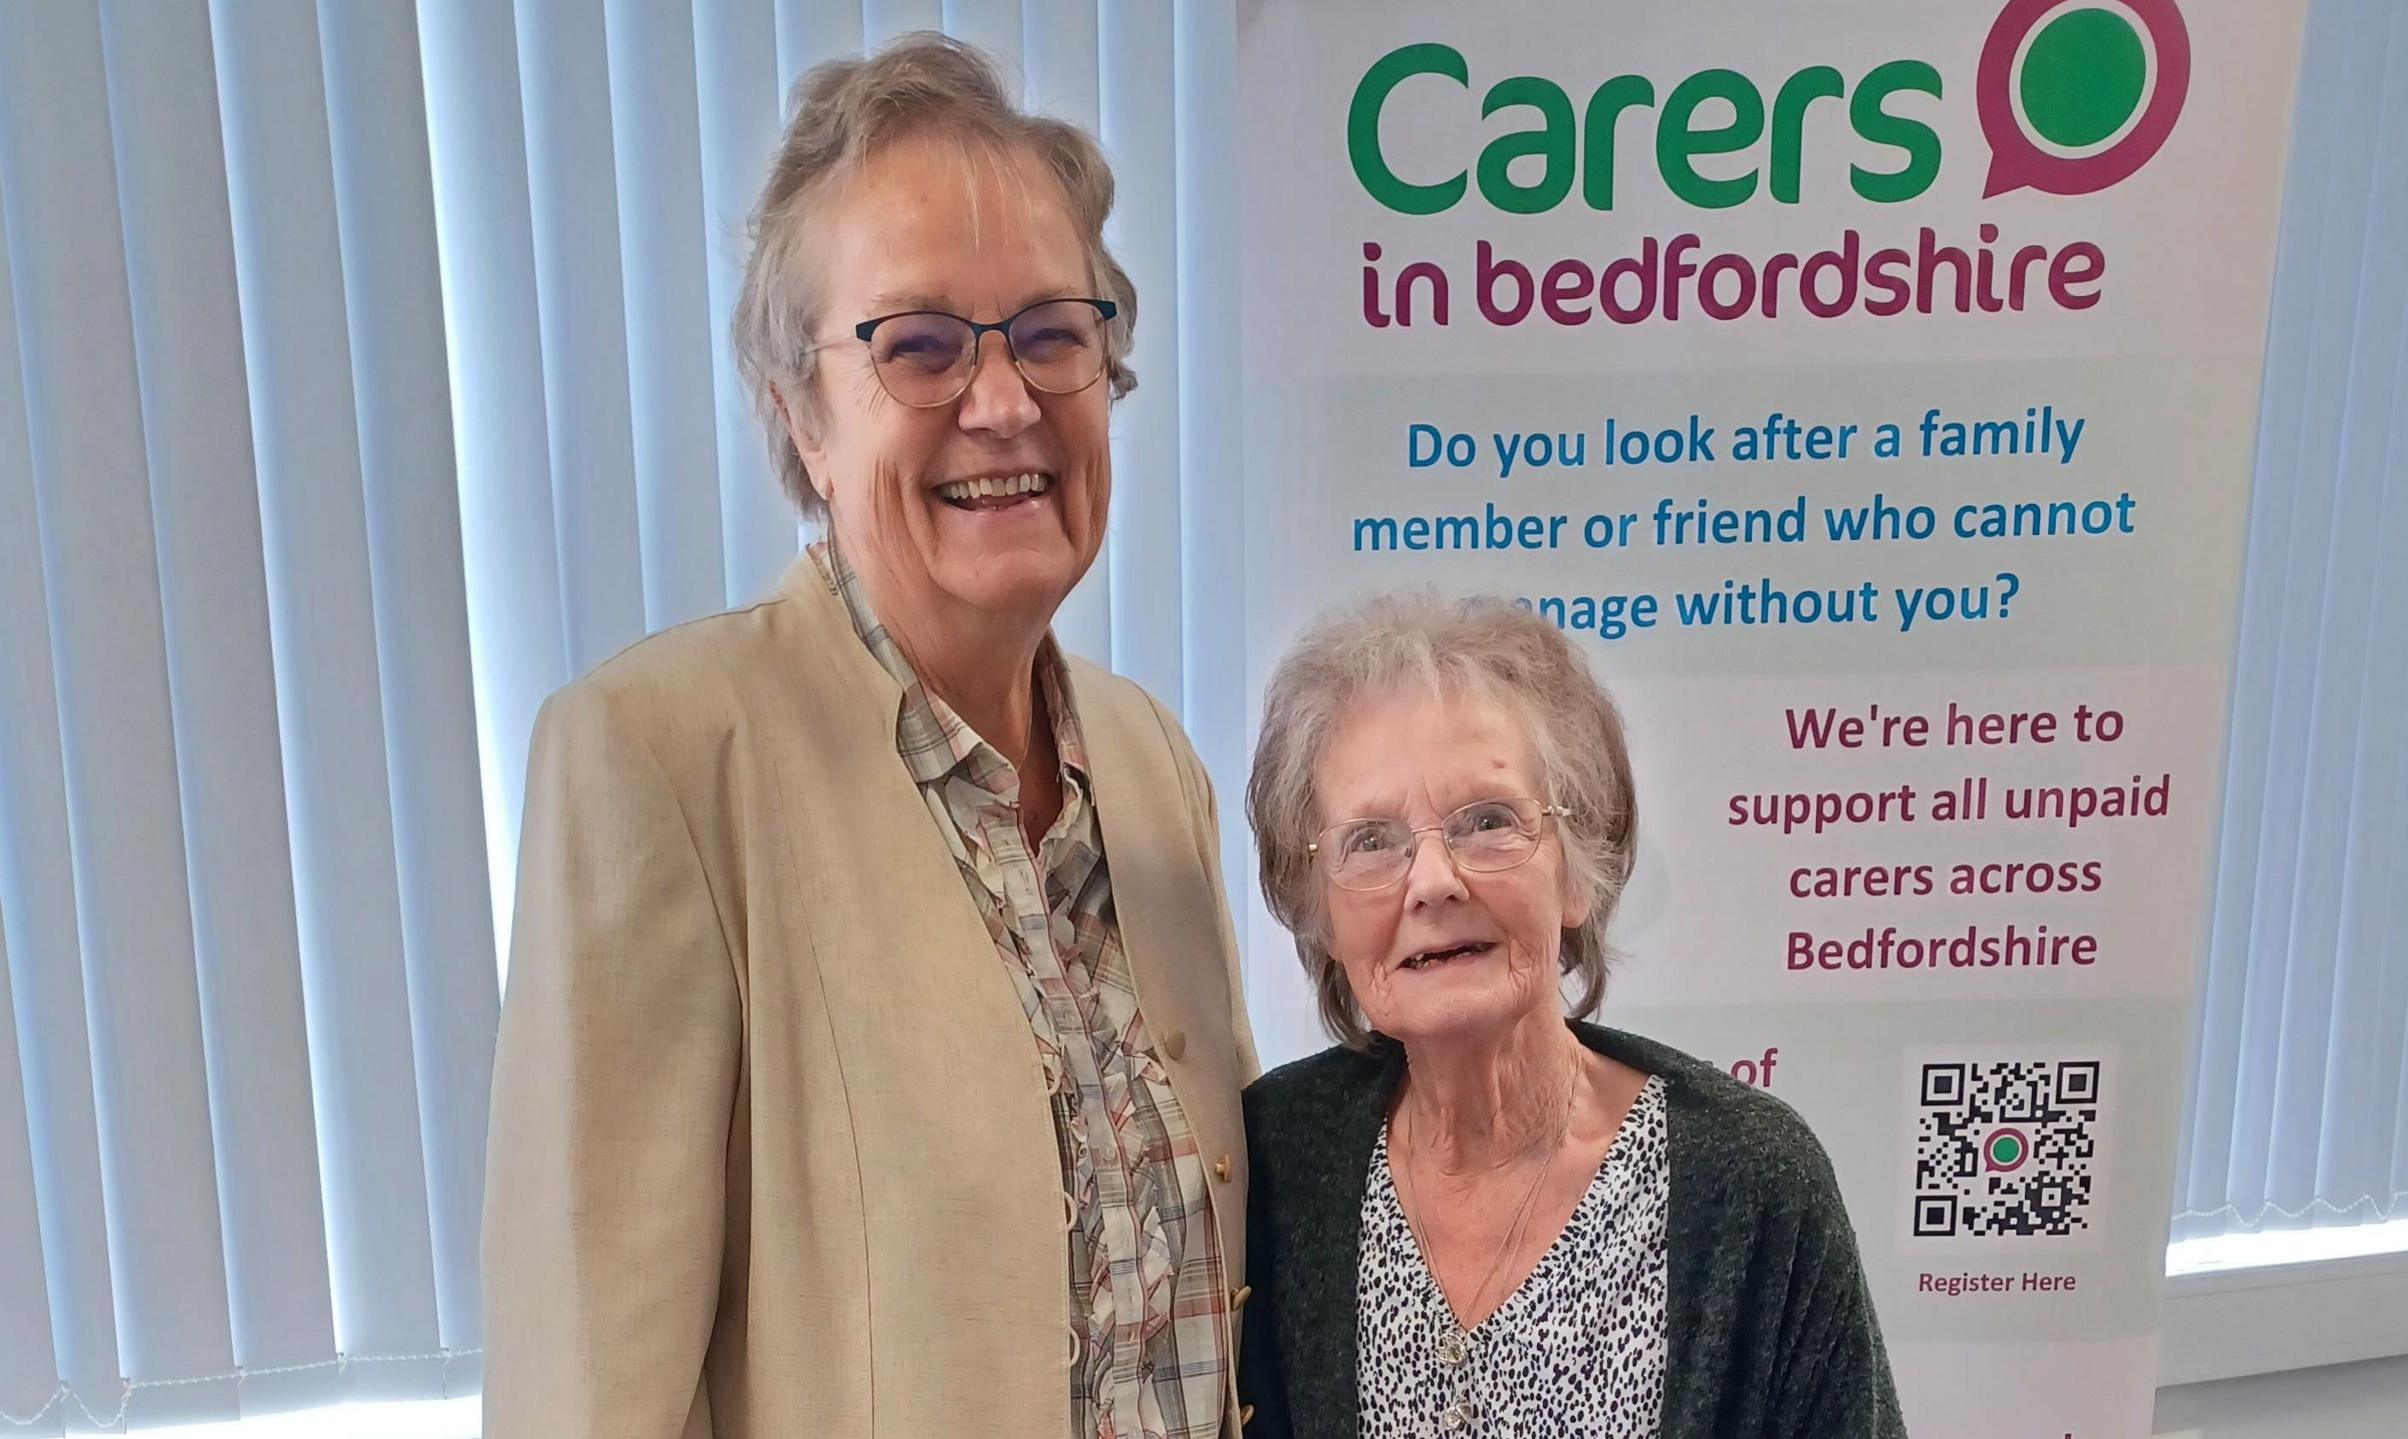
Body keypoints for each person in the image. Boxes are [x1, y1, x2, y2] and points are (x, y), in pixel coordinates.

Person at [482, 35, 1256, 1438]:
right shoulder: (659, 762)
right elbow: (587, 1396)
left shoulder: (1155, 773)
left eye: (1052, 331)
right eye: (918, 344)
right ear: (801, 415)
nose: (1006, 399)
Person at [1236, 592, 1902, 1437]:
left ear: (1579, 868)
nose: (1434, 880)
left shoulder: (1751, 1185)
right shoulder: (1274, 1162)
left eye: (1487, 822)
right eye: (1371, 840)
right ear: (1321, 914)